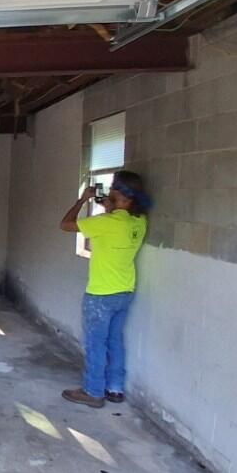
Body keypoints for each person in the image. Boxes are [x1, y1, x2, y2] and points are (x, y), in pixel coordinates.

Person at [58, 170, 150, 409]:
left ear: (119, 193)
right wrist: (111, 208)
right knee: (115, 341)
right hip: (125, 291)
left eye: (112, 187)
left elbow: (65, 225)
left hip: (100, 294)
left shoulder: (106, 223)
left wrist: (83, 199)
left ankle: (93, 391)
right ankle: (115, 389)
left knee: (95, 343)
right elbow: (120, 222)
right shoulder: (139, 222)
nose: (108, 190)